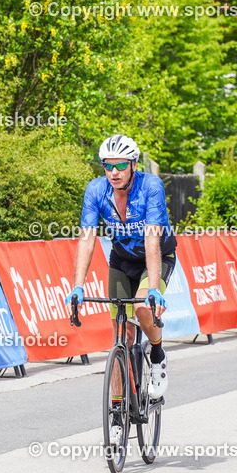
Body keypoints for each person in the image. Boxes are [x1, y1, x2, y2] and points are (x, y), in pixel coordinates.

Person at [65, 134, 177, 441]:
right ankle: (117, 414)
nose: (114, 172)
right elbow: (87, 238)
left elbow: (152, 237)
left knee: (141, 308)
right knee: (121, 336)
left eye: (120, 166)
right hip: (122, 260)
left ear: (133, 165)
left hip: (157, 257)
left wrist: (153, 288)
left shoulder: (151, 187)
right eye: (108, 166)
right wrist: (77, 287)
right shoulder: (96, 190)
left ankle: (157, 355)